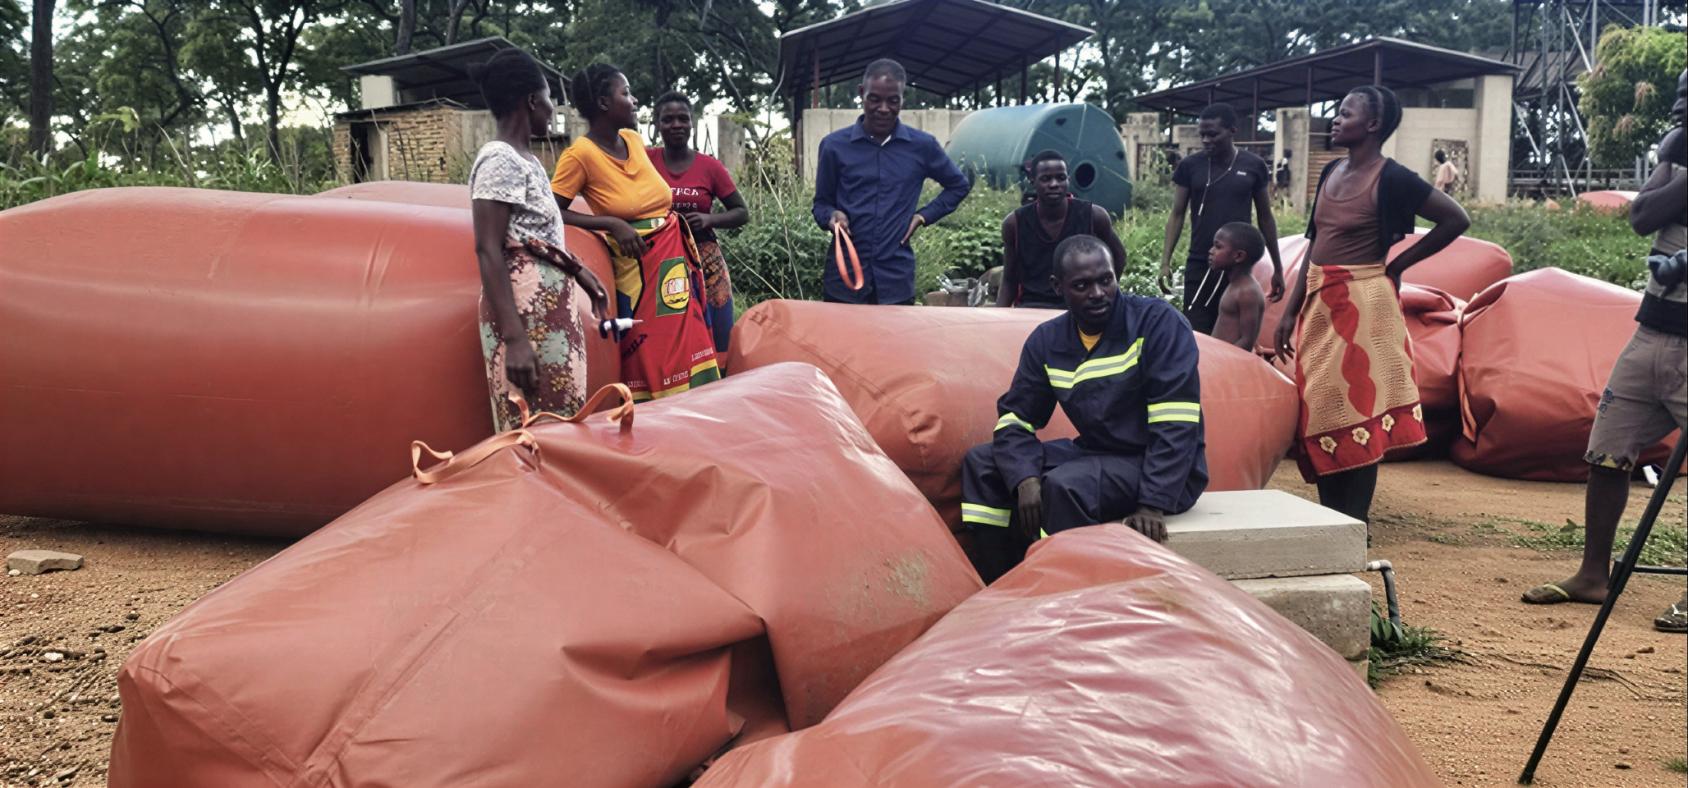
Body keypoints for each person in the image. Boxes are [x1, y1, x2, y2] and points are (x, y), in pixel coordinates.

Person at [1523, 69, 1687, 634]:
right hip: (1652, 332)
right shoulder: (1677, 151)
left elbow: (1659, 206)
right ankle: (1594, 575)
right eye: (1680, 96)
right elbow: (1642, 217)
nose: (1681, 108)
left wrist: (1675, 172)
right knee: (1608, 452)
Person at [1272, 85, 1470, 529]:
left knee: (1357, 405)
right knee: (1321, 405)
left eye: (1345, 113)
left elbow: (1456, 218)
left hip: (1365, 303)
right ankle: (1332, 519)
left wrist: (1399, 263)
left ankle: (1352, 523)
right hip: (1323, 301)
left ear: (1373, 125)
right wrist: (1290, 310)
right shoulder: (1330, 173)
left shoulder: (1394, 178)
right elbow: (1315, 245)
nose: (1336, 119)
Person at [959, 234, 1208, 582]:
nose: (1097, 293)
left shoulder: (1157, 324)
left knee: (1064, 486)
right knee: (982, 463)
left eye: (1105, 280)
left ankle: (1055, 591)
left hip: (1163, 468)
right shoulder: (1047, 341)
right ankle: (997, 582)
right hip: (1099, 454)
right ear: (1057, 287)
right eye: (1082, 285)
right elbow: (1016, 418)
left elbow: (1176, 422)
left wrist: (1153, 502)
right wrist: (1024, 477)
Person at [551, 64, 719, 401]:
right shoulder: (580, 156)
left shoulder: (632, 139)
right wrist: (610, 223)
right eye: (625, 93)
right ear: (602, 103)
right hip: (635, 266)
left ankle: (696, 422)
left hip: (672, 260)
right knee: (649, 349)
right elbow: (553, 210)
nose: (634, 100)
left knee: (688, 344)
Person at [467, 49, 609, 429]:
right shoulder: (500, 160)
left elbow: (533, 238)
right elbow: (489, 248)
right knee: (531, 429)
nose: (553, 109)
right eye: (549, 99)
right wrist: (515, 338)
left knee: (560, 422)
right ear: (531, 100)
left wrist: (578, 272)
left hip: (545, 314)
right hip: (525, 317)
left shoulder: (525, 160)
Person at [812, 59, 972, 305]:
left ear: (902, 99)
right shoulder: (835, 146)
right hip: (844, 281)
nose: (884, 108)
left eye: (893, 101)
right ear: (861, 93)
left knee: (894, 344)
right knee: (843, 344)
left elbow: (958, 185)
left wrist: (923, 216)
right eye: (874, 99)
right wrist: (832, 216)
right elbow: (821, 203)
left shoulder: (922, 146)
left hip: (896, 280)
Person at [1160, 103, 1286, 335]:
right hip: (1201, 261)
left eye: (1213, 134)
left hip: (1238, 268)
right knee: (1196, 332)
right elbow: (1177, 214)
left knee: (1234, 334)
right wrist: (1165, 261)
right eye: (1202, 135)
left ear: (1232, 130)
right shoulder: (1190, 166)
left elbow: (1265, 217)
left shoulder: (1253, 166)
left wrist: (1278, 267)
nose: (1206, 140)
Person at [648, 91, 749, 355]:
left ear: (692, 123)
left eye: (683, 118)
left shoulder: (710, 167)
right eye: (668, 119)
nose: (676, 125)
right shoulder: (645, 162)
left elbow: (741, 212)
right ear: (656, 124)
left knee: (717, 328)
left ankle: (719, 382)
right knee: (667, 330)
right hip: (658, 258)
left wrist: (709, 219)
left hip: (705, 258)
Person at [997, 150, 1129, 308]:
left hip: (1079, 309)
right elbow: (1009, 279)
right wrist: (999, 316)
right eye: (1046, 179)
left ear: (1068, 179)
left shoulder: (1094, 216)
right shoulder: (1015, 224)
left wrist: (1105, 292)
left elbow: (1119, 256)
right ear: (1032, 181)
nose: (1054, 184)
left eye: (1060, 178)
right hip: (1031, 307)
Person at [1208, 222, 1267, 351]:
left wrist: (1224, 362)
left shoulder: (1247, 292)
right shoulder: (1235, 285)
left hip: (1228, 364)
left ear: (1238, 256)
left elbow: (1247, 340)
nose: (1211, 251)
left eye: (1218, 247)